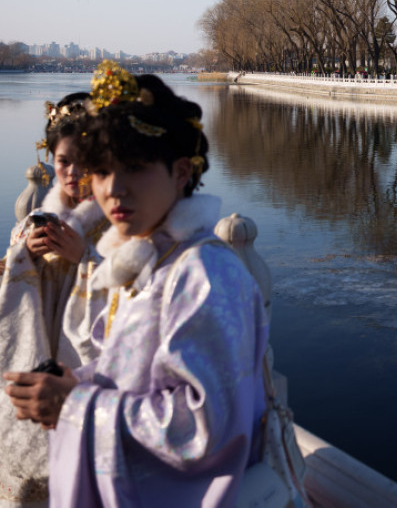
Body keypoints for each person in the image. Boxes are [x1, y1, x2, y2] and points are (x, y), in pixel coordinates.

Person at [4, 63, 270, 507]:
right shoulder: (151, 259)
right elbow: (131, 374)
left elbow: (203, 428)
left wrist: (76, 403)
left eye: (135, 168)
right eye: (101, 171)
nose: (114, 189)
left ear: (181, 173)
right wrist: (71, 382)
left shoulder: (206, 275)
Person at [0, 93, 108, 505]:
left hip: (83, 364)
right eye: (64, 161)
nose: (73, 172)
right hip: (37, 345)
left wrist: (86, 258)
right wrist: (22, 254)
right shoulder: (35, 221)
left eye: (84, 160)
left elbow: (138, 295)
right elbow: (10, 278)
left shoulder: (119, 222)